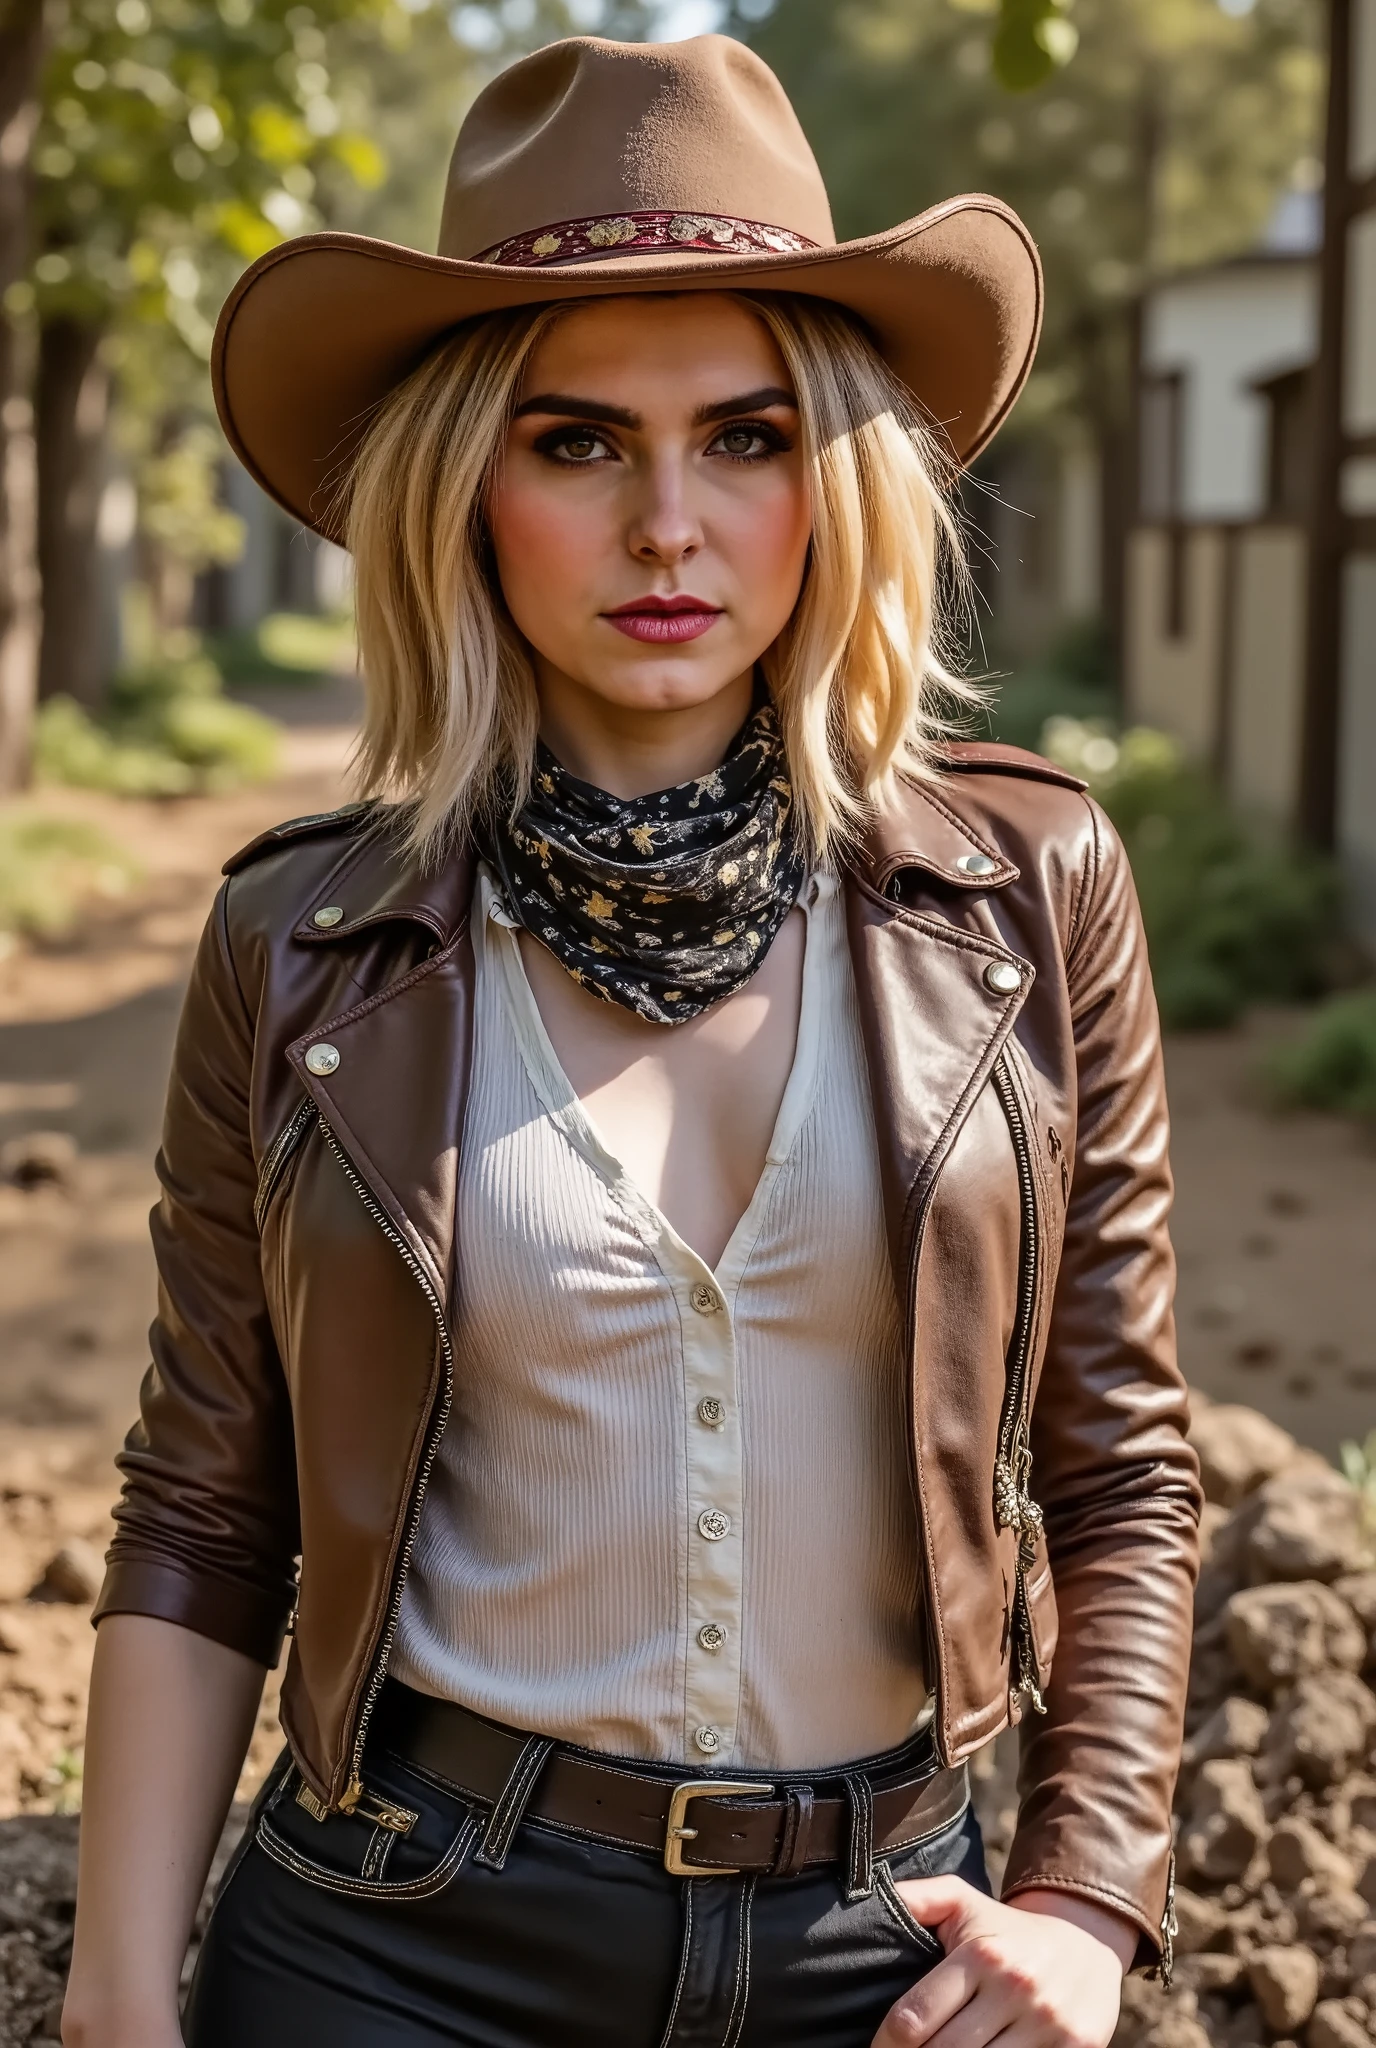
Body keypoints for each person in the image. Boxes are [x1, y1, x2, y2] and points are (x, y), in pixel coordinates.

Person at [62, 32, 1201, 2048]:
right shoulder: (304, 940)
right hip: (397, 1938)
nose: (667, 520)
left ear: (834, 469)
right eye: (575, 440)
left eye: (747, 435)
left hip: (896, 1948)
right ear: (464, 488)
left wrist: (1088, 1899)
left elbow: (1119, 1468)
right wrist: (113, 2003)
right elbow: (203, 1506)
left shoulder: (1030, 894)